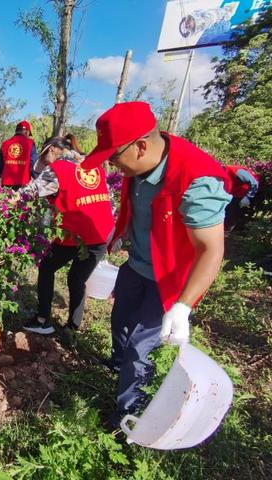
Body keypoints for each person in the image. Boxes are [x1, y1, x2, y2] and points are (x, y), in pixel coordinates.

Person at [80, 102, 232, 429]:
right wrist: (122, 235)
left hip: (170, 279)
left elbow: (211, 251)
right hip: (137, 266)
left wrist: (182, 307)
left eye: (113, 157)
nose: (112, 165)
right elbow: (141, 208)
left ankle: (127, 418)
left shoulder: (197, 180)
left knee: (140, 347)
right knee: (120, 320)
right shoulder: (140, 166)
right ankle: (118, 368)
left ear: (141, 147)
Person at [19, 134, 115, 347]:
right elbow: (108, 201)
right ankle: (72, 329)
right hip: (100, 233)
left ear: (52, 150)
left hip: (78, 235)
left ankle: (43, 320)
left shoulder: (59, 169)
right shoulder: (92, 165)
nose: (44, 164)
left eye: (44, 157)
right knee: (76, 279)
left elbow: (28, 192)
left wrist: (1, 202)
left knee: (46, 268)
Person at [0, 120, 38, 189]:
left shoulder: (5, 144)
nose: (28, 136)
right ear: (26, 131)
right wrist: (37, 179)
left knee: (8, 200)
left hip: (6, 185)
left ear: (16, 131)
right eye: (29, 134)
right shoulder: (30, 143)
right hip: (23, 184)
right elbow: (33, 163)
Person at [224, 164, 259, 232]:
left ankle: (226, 232)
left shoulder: (236, 171)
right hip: (233, 193)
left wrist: (248, 197)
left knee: (232, 213)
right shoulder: (219, 175)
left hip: (245, 193)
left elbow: (254, 183)